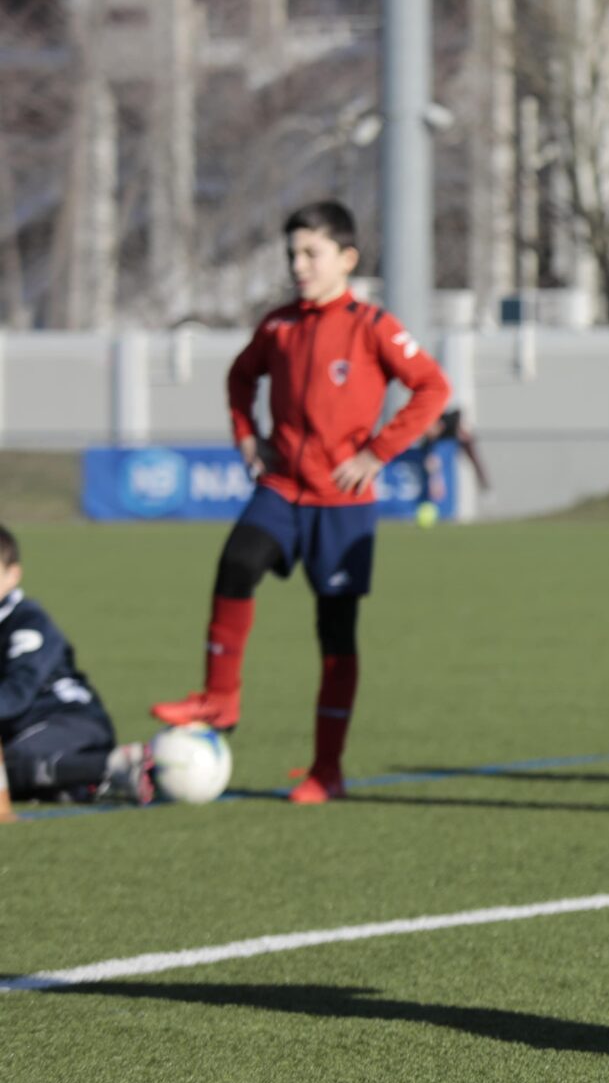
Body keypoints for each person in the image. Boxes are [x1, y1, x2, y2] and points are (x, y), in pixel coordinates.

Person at [151, 201, 451, 804]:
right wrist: (245, 434)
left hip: (342, 501)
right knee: (237, 564)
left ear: (347, 258)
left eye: (311, 253)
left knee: (335, 632)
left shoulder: (372, 325)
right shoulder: (279, 326)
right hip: (282, 486)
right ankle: (220, 697)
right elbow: (240, 379)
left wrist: (376, 454)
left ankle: (327, 770)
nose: (298, 264)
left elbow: (432, 388)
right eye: (292, 253)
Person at [0, 525, 152, 811]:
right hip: (30, 732)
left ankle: (115, 765)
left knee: (8, 765)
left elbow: (16, 693)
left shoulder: (28, 623)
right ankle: (74, 785)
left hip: (73, 722)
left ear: (13, 574)